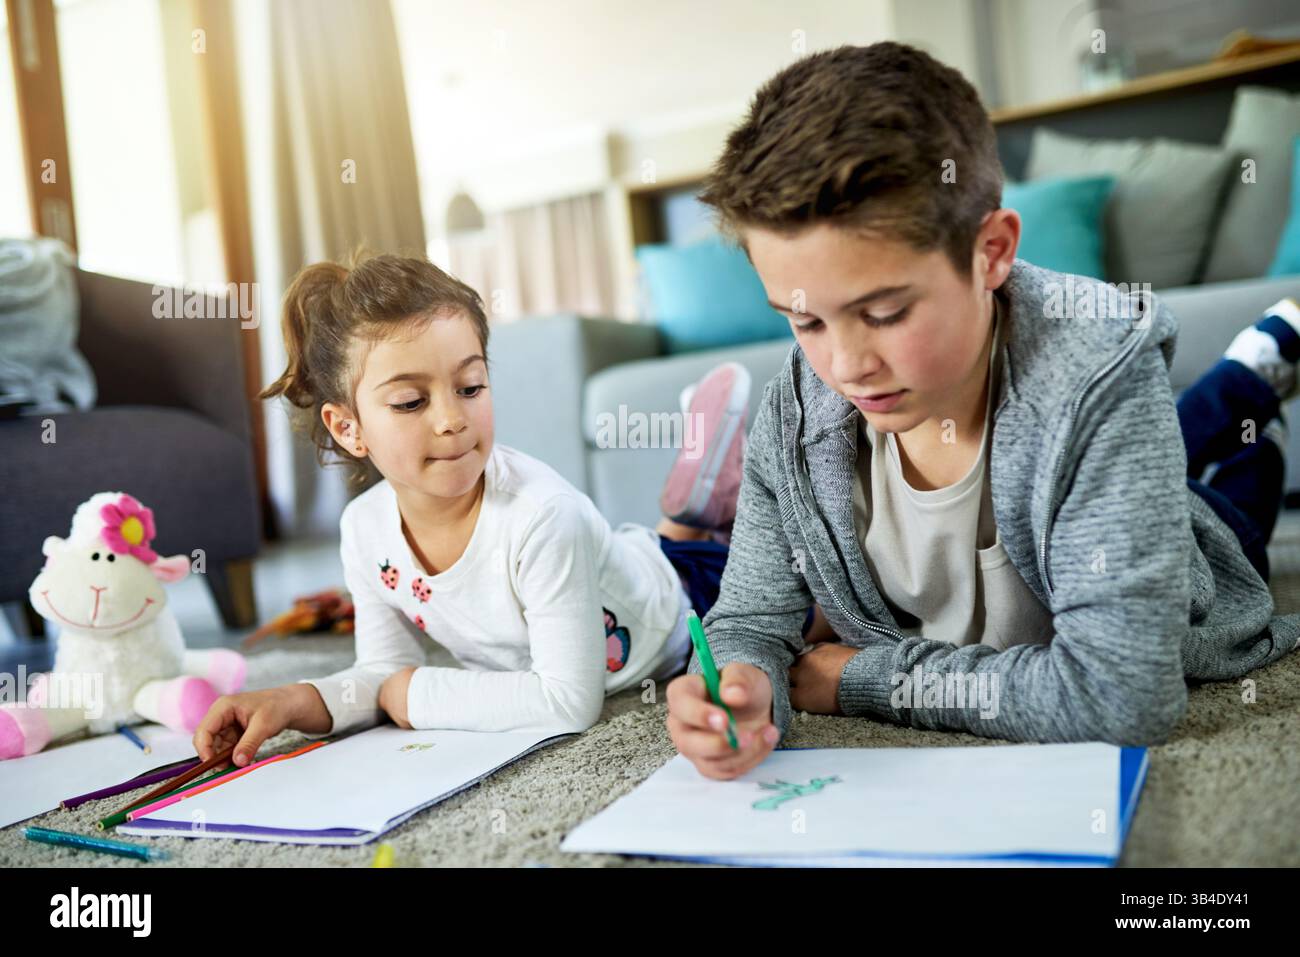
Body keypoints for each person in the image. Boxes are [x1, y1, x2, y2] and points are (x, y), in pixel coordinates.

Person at [666, 42, 1300, 780]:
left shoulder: (1097, 378)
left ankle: (1255, 401)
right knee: (1178, 441)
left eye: (884, 311)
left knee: (1231, 502)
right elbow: (748, 621)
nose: (845, 366)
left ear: (991, 251)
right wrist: (744, 686)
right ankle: (1248, 374)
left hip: (1196, 550)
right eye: (805, 322)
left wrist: (864, 679)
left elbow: (1122, 695)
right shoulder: (795, 415)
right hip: (1084, 470)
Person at [192, 251, 799, 768]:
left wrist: (417, 694)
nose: (452, 418)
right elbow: (382, 671)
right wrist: (296, 701)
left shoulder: (542, 514)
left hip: (682, 601)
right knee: (636, 548)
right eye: (410, 401)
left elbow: (568, 702)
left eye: (470, 387)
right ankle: (692, 501)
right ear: (349, 427)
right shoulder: (364, 530)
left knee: (779, 580)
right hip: (607, 568)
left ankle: (700, 508)